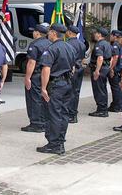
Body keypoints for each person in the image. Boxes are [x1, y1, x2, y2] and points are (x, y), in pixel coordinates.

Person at [36, 23, 77, 154]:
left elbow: (46, 69)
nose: (48, 34)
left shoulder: (51, 49)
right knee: (63, 114)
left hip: (56, 84)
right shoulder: (69, 47)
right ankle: (60, 141)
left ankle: (53, 144)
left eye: (49, 32)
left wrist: (43, 88)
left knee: (53, 114)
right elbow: (74, 67)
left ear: (54, 33)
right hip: (67, 83)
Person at [21, 23, 51, 133]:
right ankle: (43, 121)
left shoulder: (35, 44)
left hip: (36, 75)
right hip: (46, 75)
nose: (32, 33)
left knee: (34, 99)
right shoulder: (50, 43)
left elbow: (31, 62)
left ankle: (36, 124)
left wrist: (27, 77)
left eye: (33, 31)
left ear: (37, 33)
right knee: (43, 98)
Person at [89, 27, 113, 117]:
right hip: (105, 67)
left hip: (100, 68)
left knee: (98, 89)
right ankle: (103, 108)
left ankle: (102, 110)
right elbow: (111, 58)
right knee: (102, 88)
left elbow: (100, 58)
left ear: (99, 34)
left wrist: (97, 71)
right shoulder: (107, 44)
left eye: (96, 33)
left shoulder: (99, 44)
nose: (94, 34)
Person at [66, 26, 86, 123]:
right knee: (76, 92)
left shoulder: (68, 44)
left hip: (72, 69)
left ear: (69, 32)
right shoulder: (81, 43)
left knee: (70, 93)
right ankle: (73, 113)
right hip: (80, 68)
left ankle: (71, 114)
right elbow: (82, 58)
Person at [107, 31, 122, 112]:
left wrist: (111, 68)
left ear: (114, 36)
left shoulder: (115, 44)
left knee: (115, 88)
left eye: (111, 35)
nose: (110, 37)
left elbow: (115, 56)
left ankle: (116, 106)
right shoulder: (119, 44)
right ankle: (116, 104)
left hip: (116, 69)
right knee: (117, 88)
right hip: (119, 69)